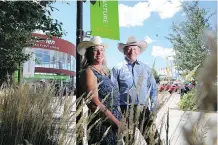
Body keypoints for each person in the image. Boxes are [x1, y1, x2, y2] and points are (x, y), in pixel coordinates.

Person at [111, 36, 159, 144]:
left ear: (139, 51)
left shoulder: (146, 68)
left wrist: (154, 109)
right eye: (129, 48)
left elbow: (153, 90)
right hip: (125, 110)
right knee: (129, 141)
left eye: (135, 48)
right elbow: (113, 92)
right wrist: (117, 113)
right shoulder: (117, 69)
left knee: (154, 141)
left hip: (143, 110)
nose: (132, 51)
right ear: (124, 51)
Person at [77, 36, 122, 145]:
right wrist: (116, 122)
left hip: (113, 123)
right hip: (102, 124)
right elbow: (94, 103)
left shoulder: (105, 72)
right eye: (95, 50)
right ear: (88, 53)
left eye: (101, 50)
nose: (99, 53)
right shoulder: (89, 72)